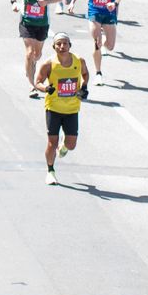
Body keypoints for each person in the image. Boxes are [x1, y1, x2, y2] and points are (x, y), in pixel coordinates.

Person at [37, 34, 88, 184]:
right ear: (54, 47)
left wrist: (84, 87)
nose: (62, 46)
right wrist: (46, 88)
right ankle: (50, 171)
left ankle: (63, 148)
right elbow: (38, 81)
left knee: (71, 145)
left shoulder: (79, 61)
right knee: (52, 142)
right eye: (58, 44)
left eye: (65, 43)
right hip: (53, 108)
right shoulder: (49, 64)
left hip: (72, 109)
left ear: (70, 45)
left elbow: (85, 74)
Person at [13, 0, 61, 92]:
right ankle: (31, 83)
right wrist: (14, 2)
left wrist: (47, 2)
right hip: (27, 20)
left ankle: (30, 67)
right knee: (29, 52)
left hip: (42, 22)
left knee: (37, 54)